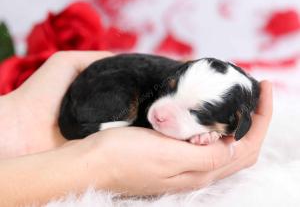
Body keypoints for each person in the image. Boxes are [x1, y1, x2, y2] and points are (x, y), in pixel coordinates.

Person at [0, 51, 273, 206]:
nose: (160, 111)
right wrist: (98, 162)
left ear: (238, 124)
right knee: (123, 94)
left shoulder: (236, 113)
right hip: (103, 90)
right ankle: (92, 126)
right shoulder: (191, 89)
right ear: (182, 73)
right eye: (169, 91)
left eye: (197, 113)